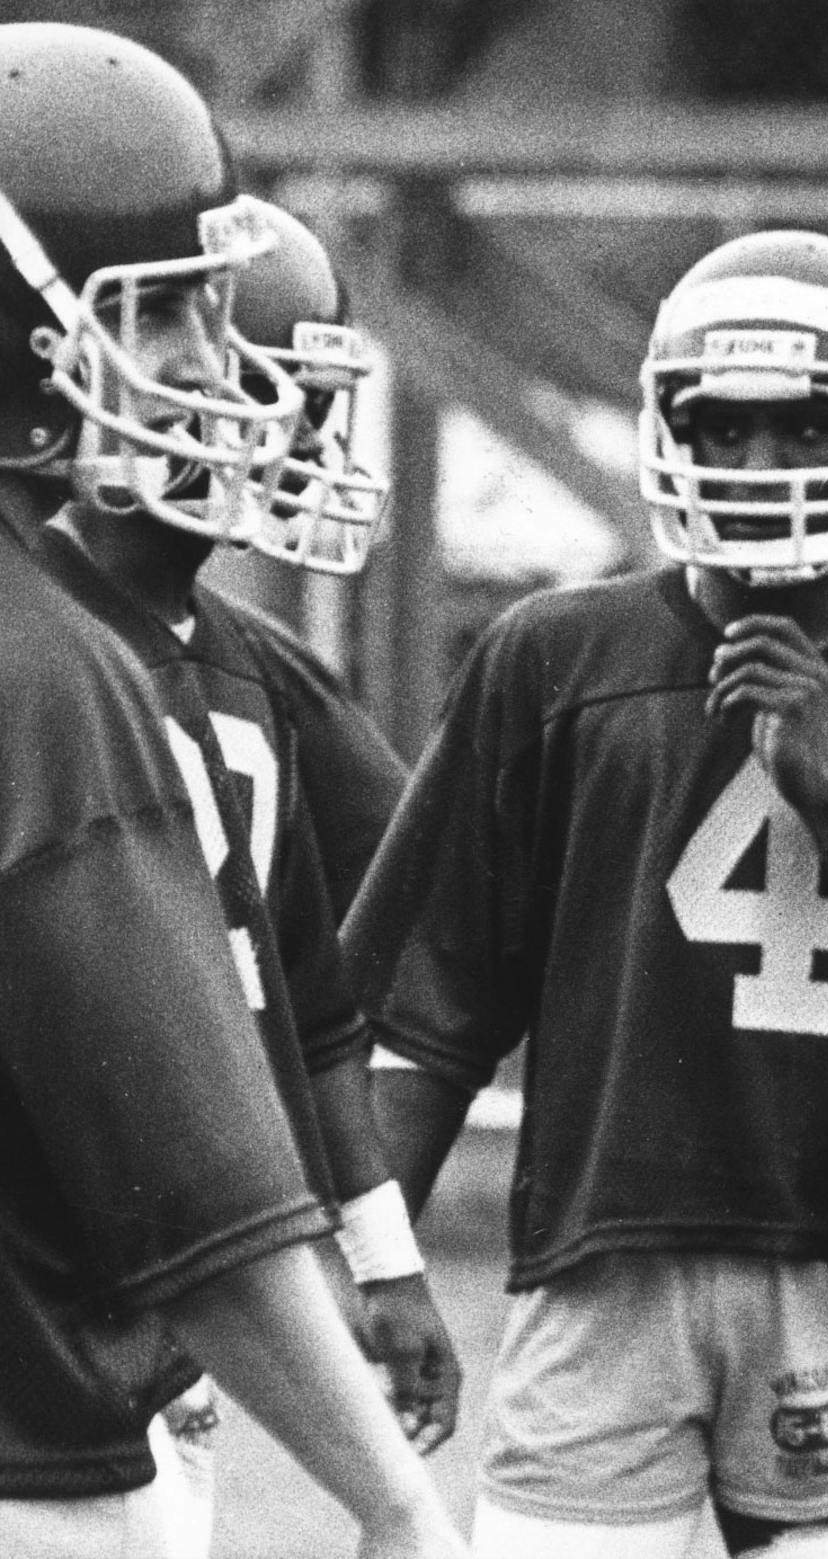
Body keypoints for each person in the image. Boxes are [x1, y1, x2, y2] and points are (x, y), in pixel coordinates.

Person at [348, 230, 828, 1559]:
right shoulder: (554, 659)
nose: (761, 466)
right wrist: (375, 1264)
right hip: (600, 1264)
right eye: (728, 428)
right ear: (667, 429)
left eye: (805, 427)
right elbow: (429, 1013)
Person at [0, 21, 464, 1558]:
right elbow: (187, 1185)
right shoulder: (53, 670)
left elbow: (316, 984)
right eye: (175, 315)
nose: (216, 377)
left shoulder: (237, 673)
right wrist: (395, 1505)